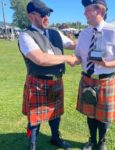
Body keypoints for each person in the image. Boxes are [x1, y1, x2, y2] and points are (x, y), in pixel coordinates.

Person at [18, 0, 77, 150]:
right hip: (37, 83)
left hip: (56, 82)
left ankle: (55, 138)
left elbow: (73, 44)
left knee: (56, 114)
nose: (47, 17)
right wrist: (66, 58)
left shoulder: (55, 32)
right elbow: (40, 59)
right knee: (34, 118)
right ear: (31, 16)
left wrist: (95, 34)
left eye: (48, 13)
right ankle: (32, 145)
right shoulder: (25, 36)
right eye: (43, 14)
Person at [74, 0, 115, 150]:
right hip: (87, 79)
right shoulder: (84, 34)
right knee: (90, 115)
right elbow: (79, 56)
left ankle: (102, 142)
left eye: (87, 10)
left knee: (104, 117)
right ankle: (92, 140)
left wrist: (107, 64)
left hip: (105, 81)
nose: (84, 13)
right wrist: (72, 60)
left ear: (99, 11)